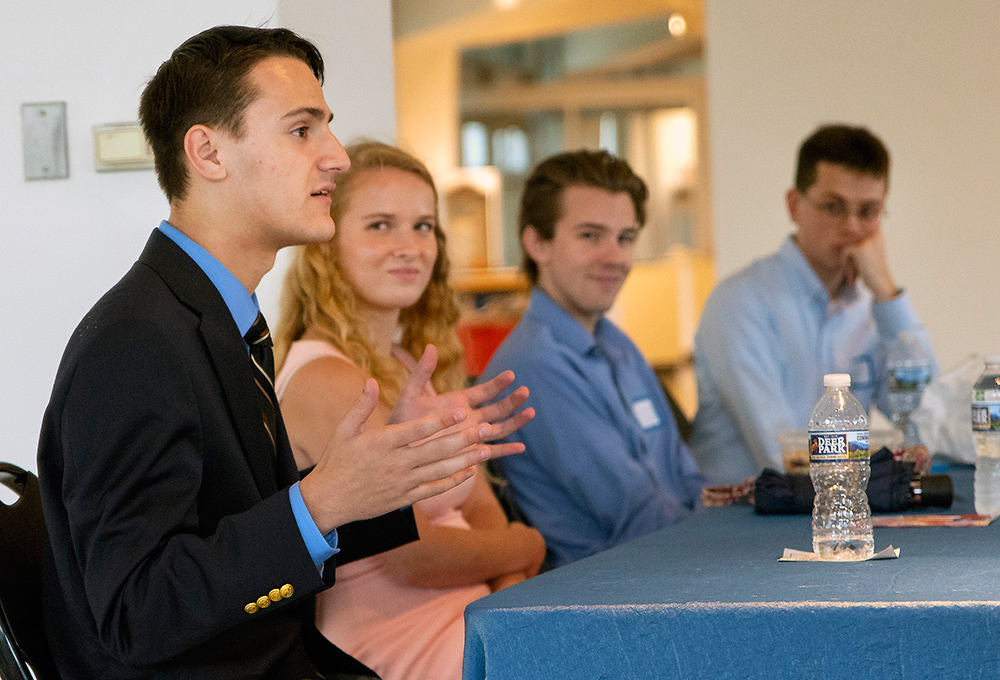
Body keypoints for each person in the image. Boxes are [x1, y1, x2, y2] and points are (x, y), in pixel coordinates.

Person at [36, 26, 531, 680]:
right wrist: (320, 501)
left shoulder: (216, 320)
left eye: (326, 128)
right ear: (207, 152)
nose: (336, 157)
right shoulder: (137, 340)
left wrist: (398, 460)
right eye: (302, 131)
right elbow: (139, 611)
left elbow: (237, 532)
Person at [272, 140, 546, 680]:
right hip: (392, 642)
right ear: (328, 243)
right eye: (380, 226)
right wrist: (529, 542)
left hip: (470, 617)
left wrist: (511, 606)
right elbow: (409, 552)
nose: (410, 246)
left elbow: (481, 509)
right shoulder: (325, 376)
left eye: (423, 227)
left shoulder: (405, 362)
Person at [479, 149, 705, 569]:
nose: (615, 257)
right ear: (537, 243)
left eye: (625, 238)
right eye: (590, 236)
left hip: (670, 569)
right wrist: (732, 546)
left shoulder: (617, 345)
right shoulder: (533, 367)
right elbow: (638, 515)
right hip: (613, 601)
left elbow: (687, 478)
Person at [690, 124, 937, 485]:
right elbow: (784, 456)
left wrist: (886, 291)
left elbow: (930, 425)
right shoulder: (742, 304)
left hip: (834, 512)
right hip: (739, 526)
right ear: (794, 205)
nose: (852, 226)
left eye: (868, 211)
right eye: (833, 207)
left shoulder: (870, 312)